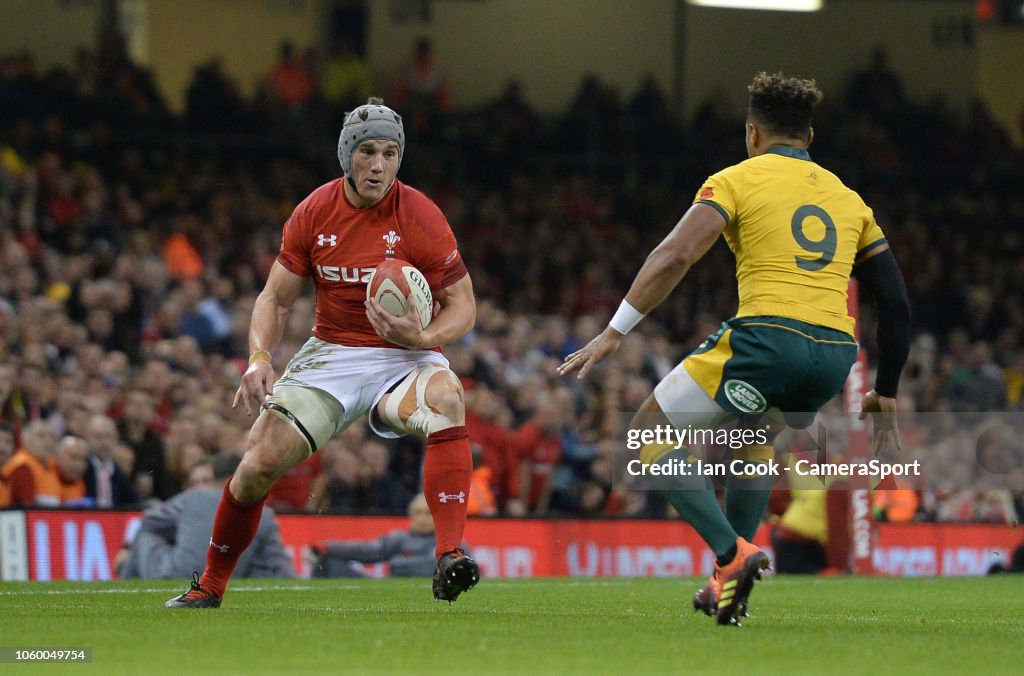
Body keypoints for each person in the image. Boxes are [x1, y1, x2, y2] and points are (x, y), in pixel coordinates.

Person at [558, 72, 910, 625]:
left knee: (643, 435)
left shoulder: (736, 179)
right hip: (833, 358)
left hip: (768, 339)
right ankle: (727, 582)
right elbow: (895, 302)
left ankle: (731, 554)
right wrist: (884, 390)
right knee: (752, 443)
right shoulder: (851, 201)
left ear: (752, 134)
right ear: (811, 138)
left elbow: (677, 254)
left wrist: (613, 332)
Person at [166, 97, 479, 609]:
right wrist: (260, 358)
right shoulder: (314, 212)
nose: (379, 165)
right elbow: (275, 298)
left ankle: (448, 554)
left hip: (403, 357)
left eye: (391, 153)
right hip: (332, 353)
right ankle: (211, 585)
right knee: (257, 464)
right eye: (369, 152)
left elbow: (464, 307)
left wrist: (422, 340)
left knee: (447, 396)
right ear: (347, 154)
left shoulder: (421, 215)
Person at [119, 456, 295, 580]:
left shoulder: (193, 498)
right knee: (260, 557)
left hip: (173, 576)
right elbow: (280, 564)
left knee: (145, 533)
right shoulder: (264, 513)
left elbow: (148, 521)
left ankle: (124, 585)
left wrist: (127, 548)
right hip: (227, 581)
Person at [310, 494, 444, 578]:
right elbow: (367, 551)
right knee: (329, 561)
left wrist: (397, 564)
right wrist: (328, 547)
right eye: (418, 513)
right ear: (411, 516)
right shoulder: (400, 538)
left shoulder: (451, 543)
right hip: (387, 587)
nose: (422, 518)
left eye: (428, 513)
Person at [1, 419, 61, 507]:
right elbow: (27, 508)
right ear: (25, 440)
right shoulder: (22, 467)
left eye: (52, 436)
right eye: (41, 436)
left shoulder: (54, 466)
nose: (48, 441)